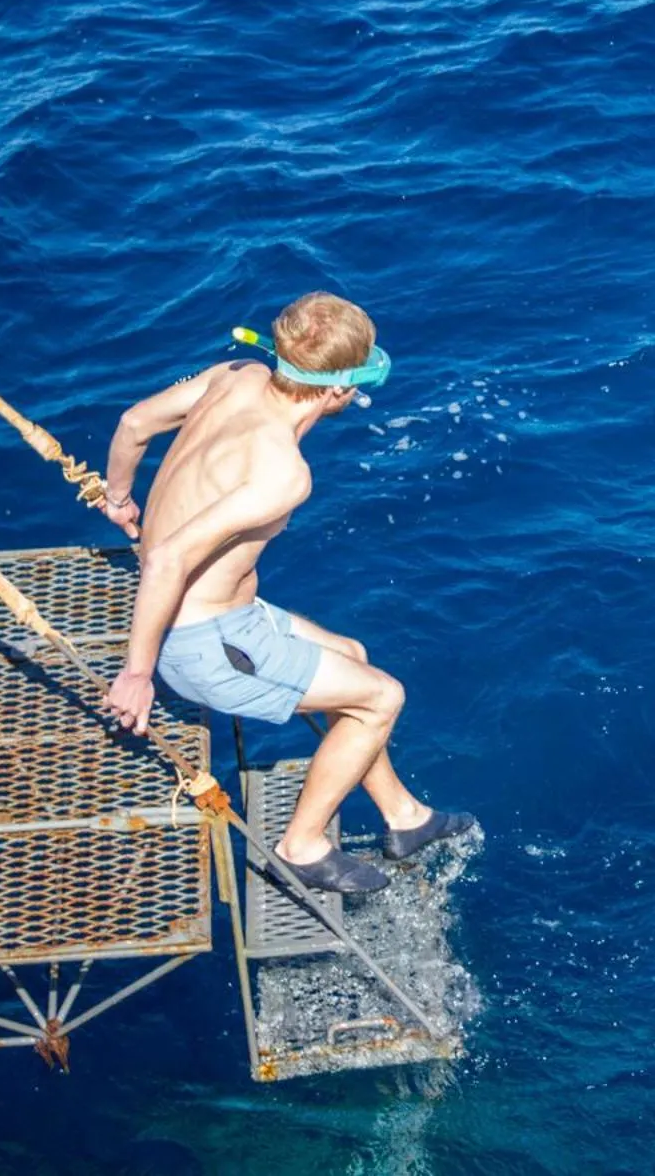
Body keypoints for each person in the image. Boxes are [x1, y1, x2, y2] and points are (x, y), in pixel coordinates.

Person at [100, 292, 473, 894]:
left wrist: (119, 499)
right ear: (338, 389)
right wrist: (137, 674)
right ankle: (301, 846)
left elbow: (134, 424)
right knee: (382, 698)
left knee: (351, 656)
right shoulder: (282, 472)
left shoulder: (235, 374)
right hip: (202, 645)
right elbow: (168, 559)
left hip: (231, 616)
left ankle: (404, 816)